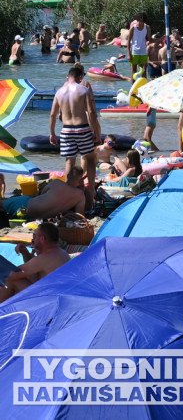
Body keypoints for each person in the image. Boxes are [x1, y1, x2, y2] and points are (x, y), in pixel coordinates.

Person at [49, 66, 100, 210]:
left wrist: (52, 133)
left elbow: (53, 115)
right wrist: (95, 130)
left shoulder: (59, 92)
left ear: (68, 76)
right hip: (82, 128)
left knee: (69, 162)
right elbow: (91, 112)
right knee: (90, 159)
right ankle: (91, 190)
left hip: (66, 130)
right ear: (80, 78)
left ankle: (68, 191)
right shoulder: (83, 90)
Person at [0, 223, 70, 303]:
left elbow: (11, 275)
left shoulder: (45, 257)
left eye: (34, 236)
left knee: (11, 280)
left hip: (48, 302)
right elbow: (33, 274)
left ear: (42, 239)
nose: (32, 240)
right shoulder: (61, 253)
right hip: (57, 298)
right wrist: (25, 252)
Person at [2, 166, 88, 220]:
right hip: (30, 217)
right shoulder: (80, 195)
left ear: (68, 176)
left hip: (25, 207)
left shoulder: (57, 182)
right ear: (81, 181)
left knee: (2, 204)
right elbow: (80, 217)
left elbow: (41, 194)